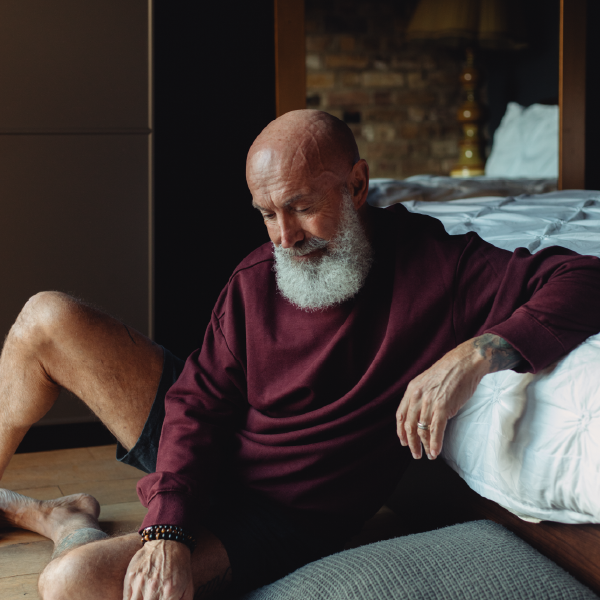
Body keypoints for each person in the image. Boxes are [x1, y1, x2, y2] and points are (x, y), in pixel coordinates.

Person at [0, 110, 599, 600]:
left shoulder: (439, 265)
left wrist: (477, 354)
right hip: (218, 453)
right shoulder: (255, 279)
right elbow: (197, 405)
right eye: (266, 214)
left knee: (69, 584)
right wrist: (167, 526)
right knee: (45, 316)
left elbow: (582, 276)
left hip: (280, 514)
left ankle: (66, 521)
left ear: (358, 184)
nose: (285, 237)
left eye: (303, 206)